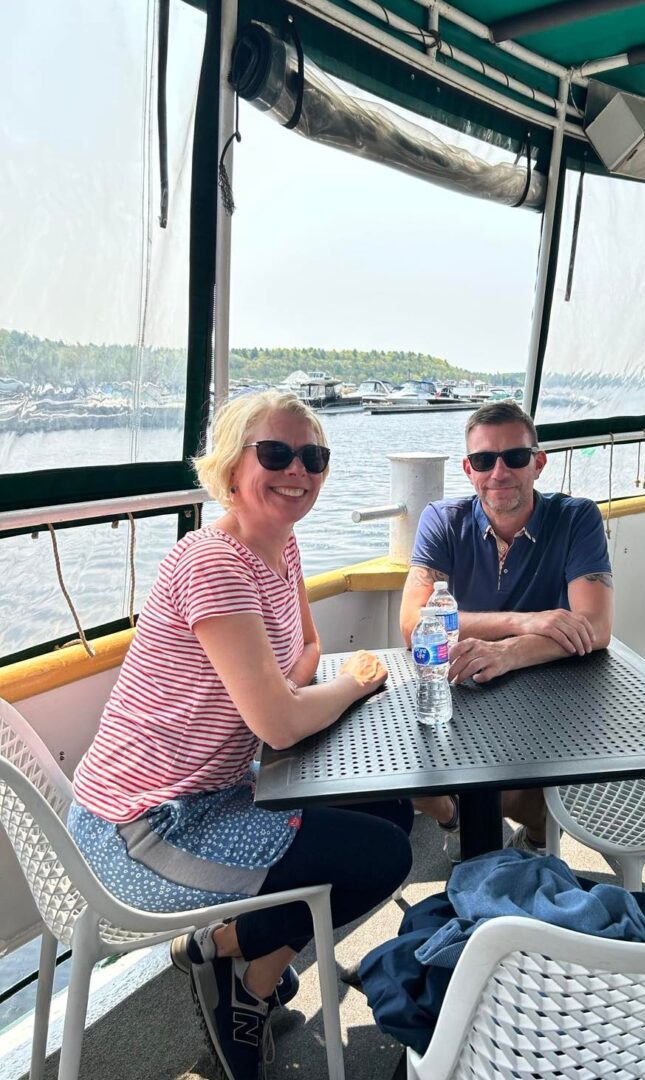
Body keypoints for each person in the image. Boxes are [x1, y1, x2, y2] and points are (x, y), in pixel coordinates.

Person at [69, 390, 413, 1080]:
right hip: (145, 829)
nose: (299, 471)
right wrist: (355, 684)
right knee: (378, 858)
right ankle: (247, 984)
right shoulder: (215, 562)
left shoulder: (281, 546)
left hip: (219, 793)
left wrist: (293, 687)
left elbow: (307, 648)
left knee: (393, 812)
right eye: (277, 453)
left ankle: (224, 948)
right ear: (231, 469)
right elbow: (280, 720)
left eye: (313, 457)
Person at [399, 400, 613, 861]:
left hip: (548, 692)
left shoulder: (577, 519)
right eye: (483, 460)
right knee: (405, 772)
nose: (499, 472)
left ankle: (531, 841)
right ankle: (458, 820)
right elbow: (413, 622)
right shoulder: (442, 520)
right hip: (464, 684)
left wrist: (511, 652)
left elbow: (595, 627)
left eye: (514, 457)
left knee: (524, 795)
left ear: (538, 463)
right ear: (468, 469)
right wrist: (527, 621)